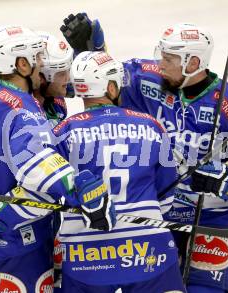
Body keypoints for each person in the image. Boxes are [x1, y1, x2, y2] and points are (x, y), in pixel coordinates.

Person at [60, 15, 228, 293]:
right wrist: (90, 48)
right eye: (161, 54)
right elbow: (99, 82)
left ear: (193, 63)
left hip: (212, 217)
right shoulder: (146, 77)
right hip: (158, 214)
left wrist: (225, 178)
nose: (160, 63)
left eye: (169, 58)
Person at [0, 25, 115, 293]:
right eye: (61, 71)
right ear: (30, 69)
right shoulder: (24, 112)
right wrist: (79, 190)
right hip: (17, 234)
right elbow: (41, 179)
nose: (70, 78)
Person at [52, 50, 186, 293]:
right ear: (111, 89)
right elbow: (167, 196)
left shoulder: (63, 132)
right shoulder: (151, 125)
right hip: (149, 250)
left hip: (86, 255)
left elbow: (48, 185)